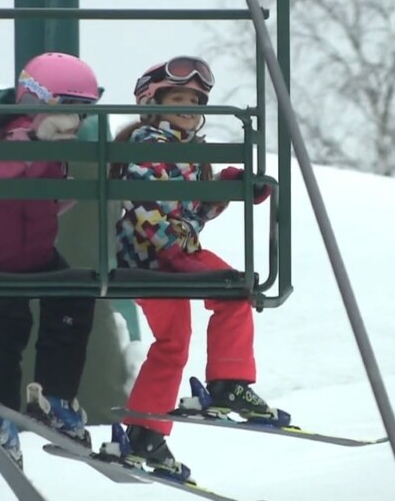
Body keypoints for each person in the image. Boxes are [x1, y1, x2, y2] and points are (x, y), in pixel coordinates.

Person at [106, 56, 288, 480]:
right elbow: (156, 206)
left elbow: (193, 205)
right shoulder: (149, 145)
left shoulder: (182, 151)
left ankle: (144, 433)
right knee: (234, 290)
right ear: (153, 102)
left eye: (195, 100)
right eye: (178, 99)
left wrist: (226, 185)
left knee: (173, 343)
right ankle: (229, 383)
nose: (189, 107)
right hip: (160, 252)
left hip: (152, 255)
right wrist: (175, 241)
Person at [0, 51, 100, 470]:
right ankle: (0, 407)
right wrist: (35, 141)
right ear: (37, 100)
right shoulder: (5, 134)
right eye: (69, 111)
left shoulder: (48, 141)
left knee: (73, 294)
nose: (75, 124)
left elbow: (36, 199)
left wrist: (60, 197)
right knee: (6, 322)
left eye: (84, 114)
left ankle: (50, 398)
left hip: (31, 250)